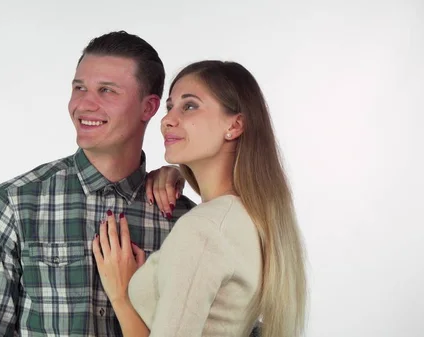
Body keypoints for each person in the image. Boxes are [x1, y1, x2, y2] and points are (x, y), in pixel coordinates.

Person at [0, 31, 197, 336]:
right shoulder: (15, 203)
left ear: (148, 108)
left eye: (107, 91)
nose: (85, 104)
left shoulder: (184, 221)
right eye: (79, 87)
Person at [93, 60, 307, 337]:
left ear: (235, 125)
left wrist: (122, 296)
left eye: (190, 106)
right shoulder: (246, 218)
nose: (167, 119)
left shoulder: (204, 229)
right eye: (170, 106)